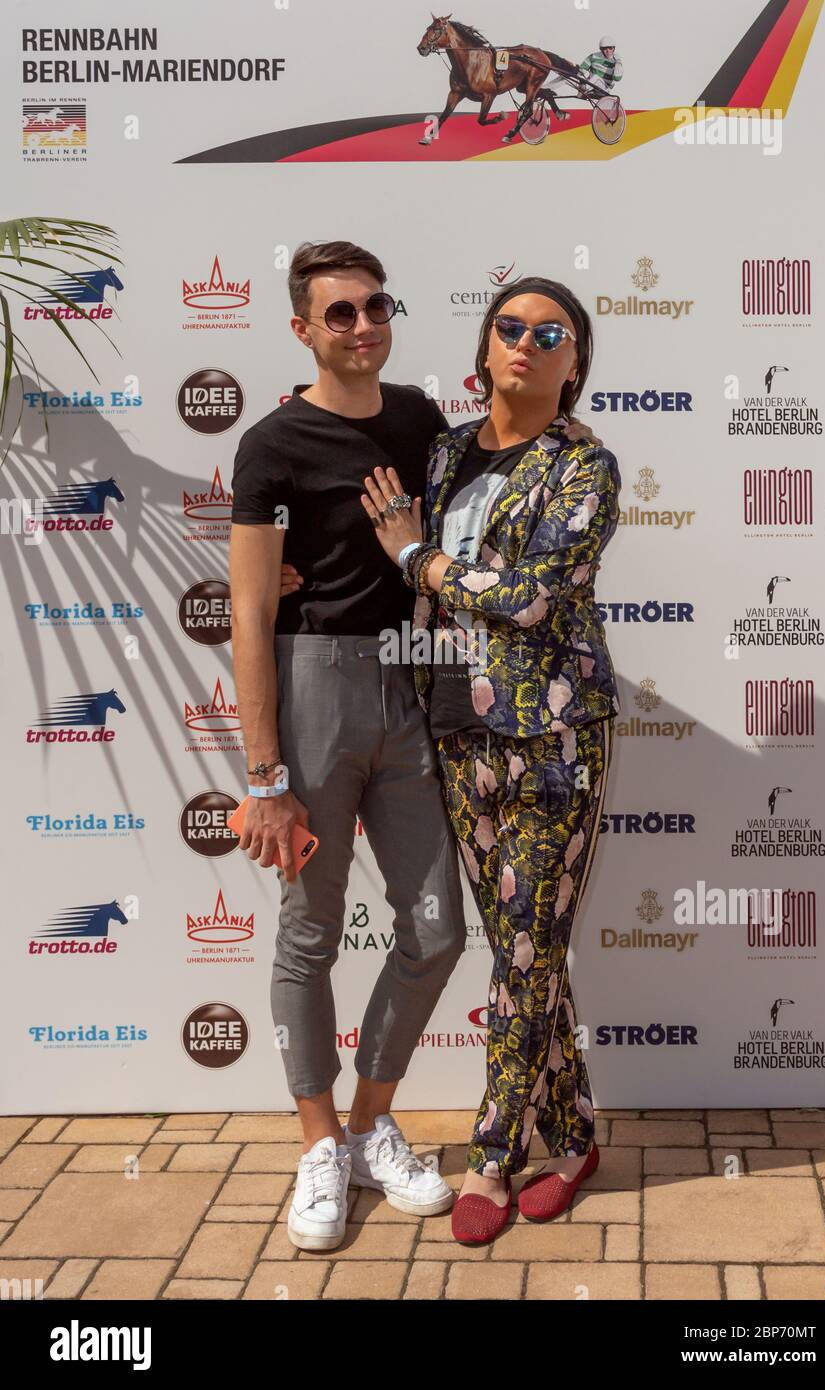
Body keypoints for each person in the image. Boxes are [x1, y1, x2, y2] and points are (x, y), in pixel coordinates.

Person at [358, 276, 620, 1244]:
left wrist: (418, 558)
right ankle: (578, 1133)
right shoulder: (441, 454)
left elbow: (528, 597)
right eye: (507, 326)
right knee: (530, 949)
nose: (524, 342)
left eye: (547, 332)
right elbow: (396, 568)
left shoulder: (584, 469)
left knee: (519, 951)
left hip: (555, 739)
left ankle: (493, 1153)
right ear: (483, 347)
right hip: (457, 735)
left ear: (572, 364)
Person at [228, 239, 465, 1252]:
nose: (363, 325)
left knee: (435, 928)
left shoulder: (418, 419)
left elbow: (475, 518)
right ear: (302, 331)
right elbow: (247, 609)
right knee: (308, 933)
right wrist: (264, 776)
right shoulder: (273, 446)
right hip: (314, 683)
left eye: (375, 306)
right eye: (339, 314)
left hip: (411, 685)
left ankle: (370, 1124)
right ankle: (317, 1141)